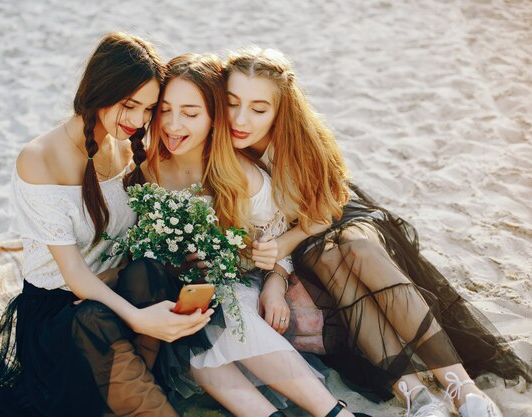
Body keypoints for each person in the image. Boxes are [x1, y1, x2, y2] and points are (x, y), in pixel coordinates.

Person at [223, 47, 532, 417]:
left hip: (335, 216)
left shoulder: (301, 141)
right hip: (304, 241)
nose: (241, 119)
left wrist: (281, 245)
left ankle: (460, 386)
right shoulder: (226, 150)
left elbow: (325, 211)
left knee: (359, 251)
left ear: (280, 110)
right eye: (232, 103)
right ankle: (414, 393)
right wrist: (278, 260)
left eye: (258, 109)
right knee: (337, 271)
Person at [0, 33, 214, 417]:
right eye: (129, 105)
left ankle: (126, 391)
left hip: (115, 288)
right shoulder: (40, 158)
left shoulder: (127, 143)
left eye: (148, 109)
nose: (139, 120)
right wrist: (139, 317)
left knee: (150, 272)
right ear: (99, 90)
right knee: (94, 319)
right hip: (61, 312)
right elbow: (75, 274)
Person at [131, 52, 371, 417]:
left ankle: (333, 413)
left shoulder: (240, 175)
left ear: (214, 119)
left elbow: (279, 237)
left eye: (191, 114)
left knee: (229, 314)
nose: (173, 125)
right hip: (183, 295)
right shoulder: (149, 172)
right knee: (196, 344)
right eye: (164, 109)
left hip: (241, 285)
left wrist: (275, 281)